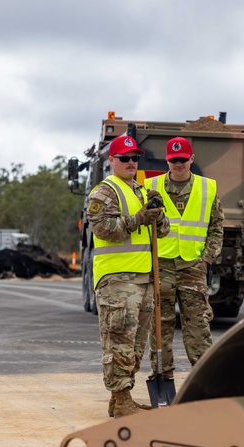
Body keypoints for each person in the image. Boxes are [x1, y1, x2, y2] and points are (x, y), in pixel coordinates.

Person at [85, 135, 169, 417]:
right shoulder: (103, 192)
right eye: (125, 158)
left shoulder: (142, 191)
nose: (131, 162)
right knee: (119, 340)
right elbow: (103, 229)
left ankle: (121, 397)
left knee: (135, 342)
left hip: (144, 277)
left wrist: (159, 213)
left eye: (135, 158)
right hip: (117, 278)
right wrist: (140, 219)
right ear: (112, 161)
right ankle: (122, 400)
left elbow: (163, 230)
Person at [144, 136, 223, 385]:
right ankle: (162, 377)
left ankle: (204, 380)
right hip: (161, 267)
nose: (178, 164)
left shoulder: (207, 187)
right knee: (160, 326)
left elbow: (217, 226)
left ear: (192, 159)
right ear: (167, 160)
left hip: (193, 268)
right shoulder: (150, 186)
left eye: (182, 159)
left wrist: (207, 259)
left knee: (198, 326)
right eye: (173, 160)